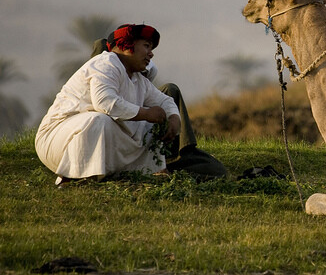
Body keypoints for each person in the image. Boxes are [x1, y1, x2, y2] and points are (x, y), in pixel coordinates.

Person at [36, 23, 227, 185]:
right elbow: (105, 102)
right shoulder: (106, 64)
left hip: (92, 133)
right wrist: (147, 114)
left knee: (145, 126)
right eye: (146, 46)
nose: (151, 54)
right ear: (127, 45)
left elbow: (165, 100)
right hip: (56, 141)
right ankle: (74, 178)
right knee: (99, 120)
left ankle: (150, 171)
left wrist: (174, 118)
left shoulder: (137, 78)